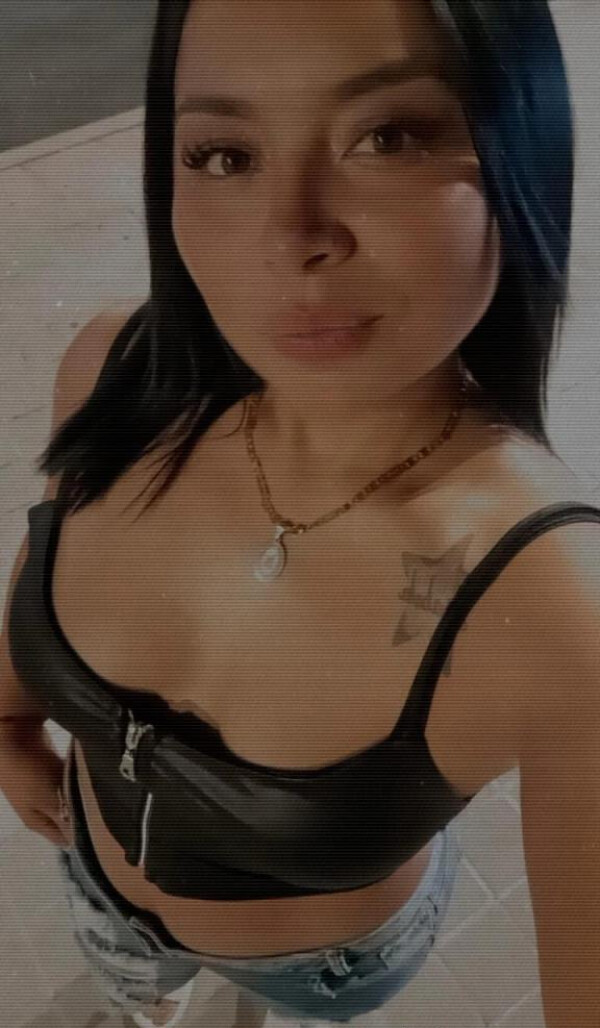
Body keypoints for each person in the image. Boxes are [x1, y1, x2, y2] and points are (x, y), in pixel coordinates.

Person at [0, 1, 588, 1026]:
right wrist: (8, 725)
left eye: (389, 136)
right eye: (223, 154)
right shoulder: (116, 369)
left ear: (523, 153)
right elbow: (34, 593)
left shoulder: (557, 606)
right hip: (97, 892)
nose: (288, 236)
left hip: (322, 964)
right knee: (134, 993)